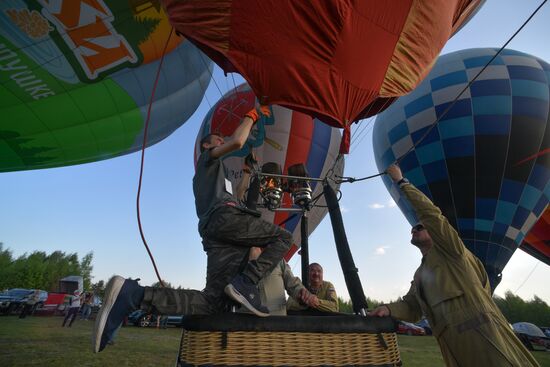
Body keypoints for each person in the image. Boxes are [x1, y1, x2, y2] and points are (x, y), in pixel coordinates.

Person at [93, 106, 293, 353]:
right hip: (225, 220)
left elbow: (239, 194)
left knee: (212, 303)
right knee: (283, 237)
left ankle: (133, 295)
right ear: (207, 147)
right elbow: (238, 140)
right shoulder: (207, 160)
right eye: (218, 140)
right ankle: (247, 282)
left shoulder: (217, 179)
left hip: (218, 233)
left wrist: (247, 171)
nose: (222, 142)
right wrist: (252, 116)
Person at [368, 164, 539, 367]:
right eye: (413, 228)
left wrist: (401, 182)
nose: (414, 228)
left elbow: (432, 216)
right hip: (453, 347)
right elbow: (412, 307)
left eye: (420, 226)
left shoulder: (453, 252)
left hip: (485, 337)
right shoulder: (421, 274)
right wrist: (387, 309)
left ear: (435, 232)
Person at [242, 247, 317, 315]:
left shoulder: (279, 260)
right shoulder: (238, 259)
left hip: (277, 321)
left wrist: (302, 294)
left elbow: (293, 284)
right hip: (246, 321)